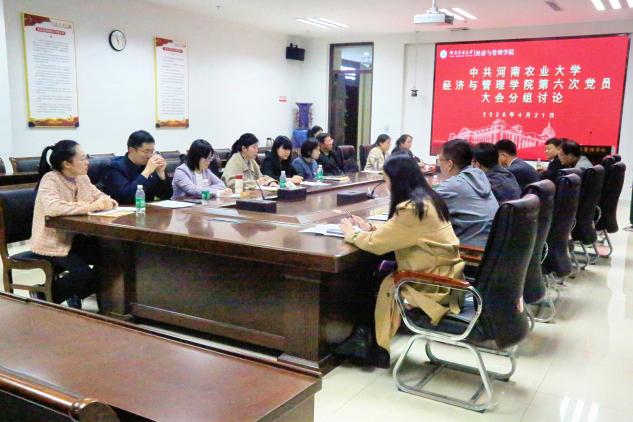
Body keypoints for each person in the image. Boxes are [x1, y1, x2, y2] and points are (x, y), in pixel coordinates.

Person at [337, 155, 464, 367]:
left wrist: (352, 233)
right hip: (446, 278)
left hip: (430, 284)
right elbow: (401, 232)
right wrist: (371, 228)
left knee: (369, 277)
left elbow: (376, 244)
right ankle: (363, 339)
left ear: (397, 181)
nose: (385, 185)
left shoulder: (412, 209)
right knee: (375, 273)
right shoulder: (428, 200)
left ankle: (369, 346)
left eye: (386, 179)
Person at [30, 140, 117, 309]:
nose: (87, 162)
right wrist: (92, 206)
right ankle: (43, 295)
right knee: (82, 273)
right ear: (67, 164)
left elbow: (101, 196)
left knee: (112, 258)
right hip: (53, 242)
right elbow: (54, 208)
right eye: (83, 158)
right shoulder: (50, 180)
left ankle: (76, 293)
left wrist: (106, 202)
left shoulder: (82, 178)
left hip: (76, 238)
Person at [436, 139, 499, 247]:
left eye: (439, 160)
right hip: (492, 248)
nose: (438, 165)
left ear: (450, 164)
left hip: (471, 252)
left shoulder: (453, 185)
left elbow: (420, 206)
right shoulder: (480, 177)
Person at [101, 130, 173, 204]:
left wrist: (161, 174)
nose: (150, 156)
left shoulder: (149, 166)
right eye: (146, 151)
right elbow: (126, 198)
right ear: (131, 150)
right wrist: (146, 172)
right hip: (124, 210)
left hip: (148, 209)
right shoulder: (114, 167)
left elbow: (166, 196)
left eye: (152, 152)